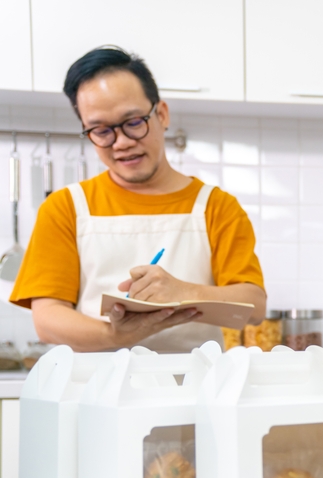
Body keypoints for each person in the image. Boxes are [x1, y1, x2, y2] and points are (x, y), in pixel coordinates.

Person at [10, 46, 266, 353]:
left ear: (161, 114)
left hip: (193, 389)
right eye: (101, 130)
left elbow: (255, 306)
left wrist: (183, 292)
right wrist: (118, 336)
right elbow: (48, 319)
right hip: (97, 391)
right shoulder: (66, 207)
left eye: (133, 123)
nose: (121, 143)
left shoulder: (215, 206)